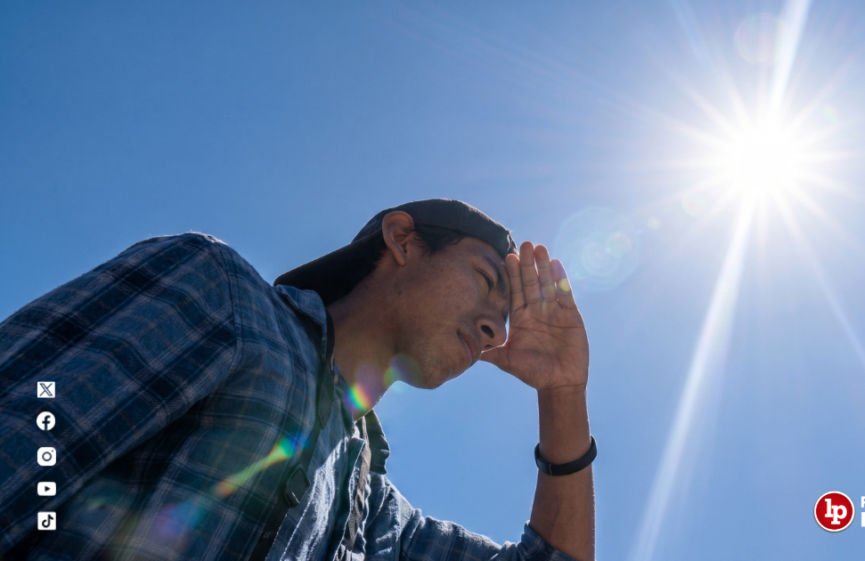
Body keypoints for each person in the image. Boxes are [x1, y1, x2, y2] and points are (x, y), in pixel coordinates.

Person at [0, 199, 595, 561]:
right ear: (403, 240)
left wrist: (562, 393)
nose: (496, 328)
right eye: (486, 280)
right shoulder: (224, 296)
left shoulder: (373, 511)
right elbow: (31, 431)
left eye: (505, 322)